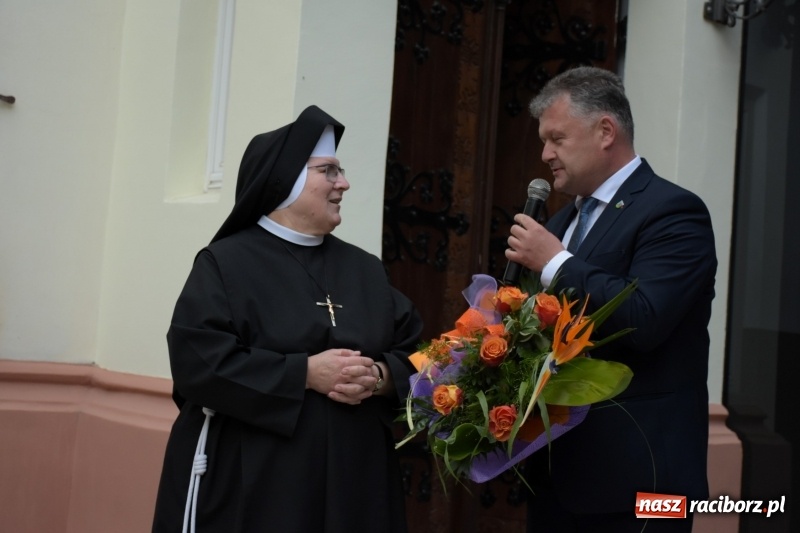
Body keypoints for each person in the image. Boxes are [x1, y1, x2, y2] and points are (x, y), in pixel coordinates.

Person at [152, 105, 423, 532]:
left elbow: (421, 354)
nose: (344, 183)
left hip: (357, 484)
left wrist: (378, 375)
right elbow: (197, 363)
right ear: (287, 179)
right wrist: (304, 373)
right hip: (261, 483)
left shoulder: (365, 268)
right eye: (329, 171)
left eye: (341, 170)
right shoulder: (225, 263)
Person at [505, 67, 717, 532]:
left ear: (605, 131)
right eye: (544, 141)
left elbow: (644, 319)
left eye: (557, 138)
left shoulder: (673, 212)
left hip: (643, 483)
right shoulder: (559, 224)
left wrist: (556, 263)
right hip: (560, 478)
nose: (545, 155)